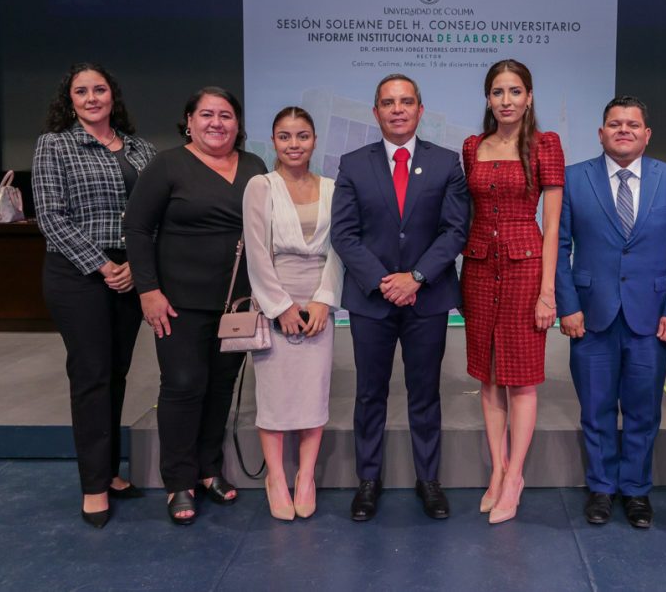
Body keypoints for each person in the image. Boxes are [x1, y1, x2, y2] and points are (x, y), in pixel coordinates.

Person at [124, 87, 267, 525]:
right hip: (177, 303)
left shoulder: (255, 166)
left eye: (226, 115)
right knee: (183, 385)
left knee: (221, 386)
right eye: (206, 114)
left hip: (237, 305)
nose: (216, 123)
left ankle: (208, 469)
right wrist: (148, 291)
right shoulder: (167, 165)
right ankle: (179, 480)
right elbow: (137, 228)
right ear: (189, 121)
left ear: (238, 124)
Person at [331, 74, 470, 521]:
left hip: (427, 299)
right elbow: (344, 235)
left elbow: (455, 231)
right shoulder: (353, 164)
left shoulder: (446, 162)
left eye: (406, 101)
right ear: (376, 112)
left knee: (424, 392)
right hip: (371, 300)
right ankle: (368, 480)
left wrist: (416, 278)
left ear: (420, 110)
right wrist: (385, 281)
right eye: (388, 103)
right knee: (369, 393)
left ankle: (428, 479)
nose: (398, 109)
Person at [556, 96, 666, 529]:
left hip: (651, 318)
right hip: (590, 316)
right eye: (615, 124)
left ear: (646, 134)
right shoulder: (573, 179)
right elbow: (558, 248)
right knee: (595, 408)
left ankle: (635, 490)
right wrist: (568, 305)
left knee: (643, 410)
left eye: (632, 125)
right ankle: (601, 487)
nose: (624, 130)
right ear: (601, 133)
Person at [33, 62, 156, 528]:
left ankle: (109, 471)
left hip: (131, 271)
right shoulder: (54, 145)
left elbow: (155, 213)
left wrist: (136, 267)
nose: (91, 98)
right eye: (81, 91)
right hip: (78, 274)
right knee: (91, 376)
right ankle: (93, 486)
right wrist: (104, 266)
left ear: (112, 95)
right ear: (69, 100)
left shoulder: (141, 149)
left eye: (99, 89)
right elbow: (50, 216)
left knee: (117, 373)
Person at [460, 60, 564, 524]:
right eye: (498, 92)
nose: (507, 100)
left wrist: (548, 292)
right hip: (479, 267)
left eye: (515, 91)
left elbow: (553, 226)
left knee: (521, 378)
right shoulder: (472, 146)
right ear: (488, 98)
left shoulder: (546, 145)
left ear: (529, 96)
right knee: (487, 376)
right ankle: (497, 470)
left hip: (526, 268)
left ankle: (516, 475)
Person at [242, 107, 343, 520]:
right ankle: (277, 478)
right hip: (274, 302)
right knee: (274, 396)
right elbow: (256, 252)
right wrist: (281, 307)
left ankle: (305, 477)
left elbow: (339, 250)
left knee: (313, 394)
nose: (294, 144)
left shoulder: (334, 188)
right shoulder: (260, 186)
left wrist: (323, 300)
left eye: (302, 136)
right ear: (273, 141)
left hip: (318, 302)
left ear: (314, 140)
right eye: (285, 136)